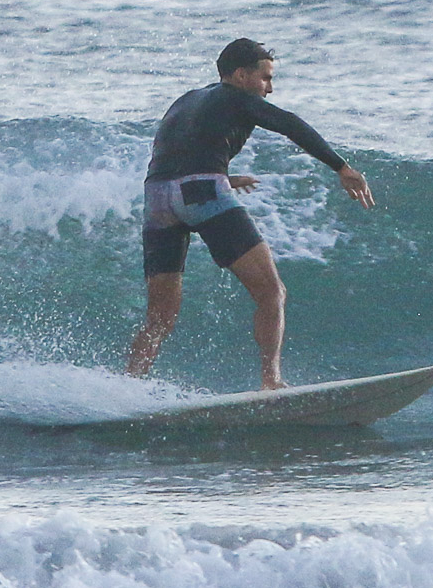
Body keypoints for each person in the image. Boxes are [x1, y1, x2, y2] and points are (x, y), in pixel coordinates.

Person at [125, 38, 374, 389]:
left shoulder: (185, 101)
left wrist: (221, 176)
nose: (269, 89)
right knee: (272, 293)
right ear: (241, 75)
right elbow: (290, 124)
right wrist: (341, 167)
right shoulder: (238, 98)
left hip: (157, 199)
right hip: (203, 192)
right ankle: (271, 381)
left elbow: (174, 156)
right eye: (265, 78)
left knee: (160, 318)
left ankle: (129, 384)